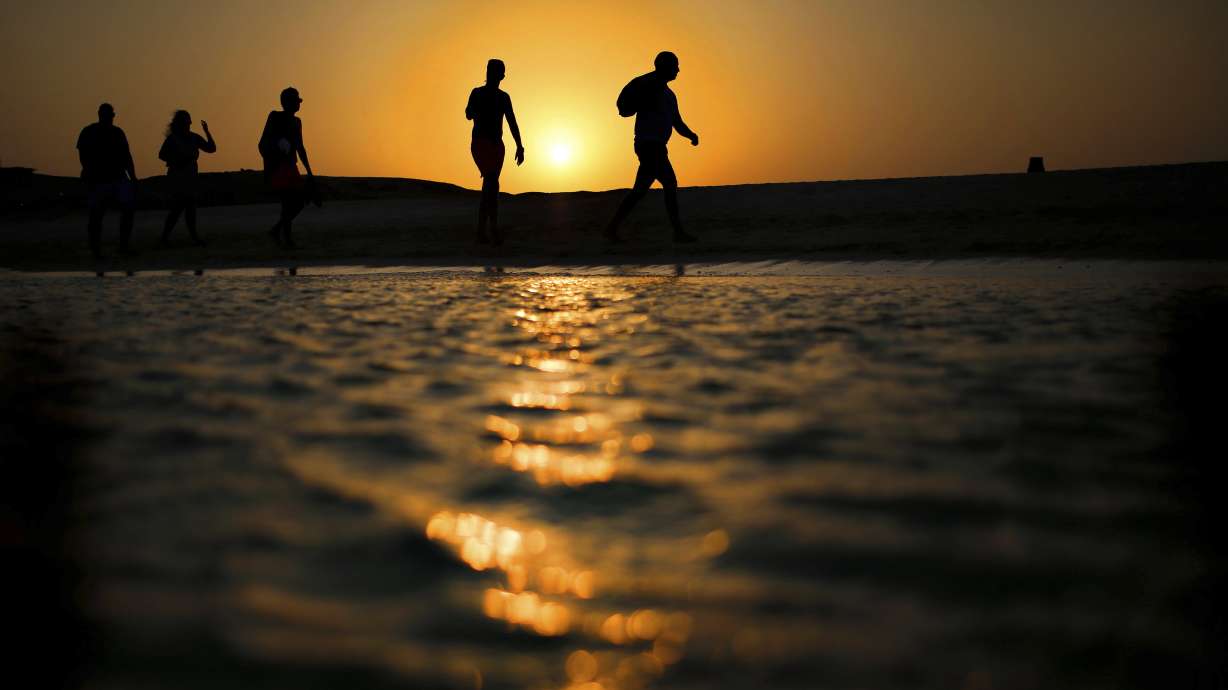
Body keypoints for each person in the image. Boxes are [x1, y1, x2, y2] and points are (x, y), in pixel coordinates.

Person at [604, 51, 699, 244]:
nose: (678, 70)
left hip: (657, 146)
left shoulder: (670, 95)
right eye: (675, 66)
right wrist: (642, 101)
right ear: (664, 66)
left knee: (639, 191)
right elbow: (624, 108)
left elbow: (676, 122)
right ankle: (678, 233)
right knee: (670, 183)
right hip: (648, 145)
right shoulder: (645, 85)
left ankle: (611, 228)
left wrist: (691, 135)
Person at [465, 58, 525, 246]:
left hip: (498, 145)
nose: (496, 75)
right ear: (488, 73)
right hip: (481, 143)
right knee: (491, 182)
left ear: (502, 76)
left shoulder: (504, 97)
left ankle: (485, 231)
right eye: (493, 71)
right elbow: (468, 114)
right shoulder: (477, 93)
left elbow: (512, 121)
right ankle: (489, 231)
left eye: (499, 72)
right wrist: (478, 111)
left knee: (492, 186)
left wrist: (520, 146)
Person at [76, 103, 138, 258]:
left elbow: (126, 156)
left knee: (127, 210)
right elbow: (83, 155)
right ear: (100, 114)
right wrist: (89, 172)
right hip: (98, 180)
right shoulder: (89, 131)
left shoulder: (118, 133)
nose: (110, 117)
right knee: (96, 214)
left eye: (111, 114)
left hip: (117, 177)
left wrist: (133, 176)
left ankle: (123, 245)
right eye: (108, 114)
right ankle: (96, 248)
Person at [258, 87, 315, 249]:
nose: (299, 104)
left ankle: (277, 230)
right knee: (288, 203)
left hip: (291, 166)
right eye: (296, 101)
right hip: (278, 168)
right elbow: (262, 144)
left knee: (299, 203)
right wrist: (277, 146)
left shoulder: (297, 122)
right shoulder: (275, 117)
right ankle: (287, 239)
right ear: (287, 103)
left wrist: (309, 171)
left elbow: (301, 148)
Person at [158, 110, 216, 246]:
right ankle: (168, 237)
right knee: (178, 208)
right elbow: (162, 155)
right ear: (180, 123)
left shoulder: (194, 137)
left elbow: (211, 148)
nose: (189, 123)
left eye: (189, 121)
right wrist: (177, 160)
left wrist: (207, 132)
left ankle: (189, 237)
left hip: (191, 177)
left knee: (189, 207)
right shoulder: (172, 139)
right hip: (177, 177)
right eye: (186, 121)